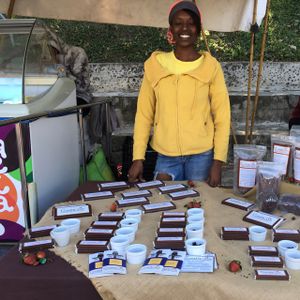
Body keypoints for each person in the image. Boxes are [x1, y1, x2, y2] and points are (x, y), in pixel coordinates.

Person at [128, 0, 231, 187]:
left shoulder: (211, 67)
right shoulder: (154, 66)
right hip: (166, 156)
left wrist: (218, 162)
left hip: (202, 156)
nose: (185, 28)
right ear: (171, 29)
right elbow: (143, 115)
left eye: (191, 23)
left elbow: (222, 117)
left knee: (199, 209)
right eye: (178, 23)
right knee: (164, 206)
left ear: (198, 29)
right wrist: (138, 158)